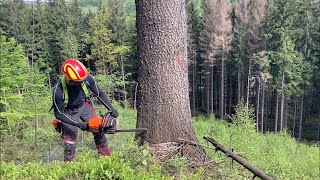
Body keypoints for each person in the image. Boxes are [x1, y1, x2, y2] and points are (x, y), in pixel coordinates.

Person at [51, 58, 119, 162]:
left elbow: (99, 93)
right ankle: (68, 165)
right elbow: (59, 114)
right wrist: (79, 124)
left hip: (84, 105)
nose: (80, 83)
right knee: (70, 140)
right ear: (69, 79)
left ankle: (105, 159)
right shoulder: (58, 90)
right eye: (77, 82)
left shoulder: (86, 79)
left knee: (98, 128)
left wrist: (110, 107)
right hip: (69, 111)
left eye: (82, 81)